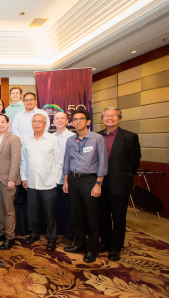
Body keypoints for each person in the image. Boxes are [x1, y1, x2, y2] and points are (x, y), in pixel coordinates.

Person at [63, 109, 107, 263]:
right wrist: (66, 180)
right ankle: (79, 243)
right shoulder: (70, 140)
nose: (77, 122)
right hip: (73, 180)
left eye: (81, 119)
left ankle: (92, 249)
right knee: (76, 215)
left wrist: (98, 183)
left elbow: (102, 162)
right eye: (75, 119)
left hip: (90, 181)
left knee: (92, 216)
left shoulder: (97, 139)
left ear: (88, 122)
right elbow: (66, 161)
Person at [97, 107, 141, 261]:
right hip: (99, 183)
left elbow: (134, 162)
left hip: (119, 183)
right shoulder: (97, 136)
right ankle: (105, 242)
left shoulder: (129, 137)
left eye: (113, 116)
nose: (109, 118)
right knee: (102, 215)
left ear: (119, 118)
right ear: (102, 119)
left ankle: (116, 247)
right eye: (106, 116)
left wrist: (125, 177)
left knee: (118, 217)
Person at [21, 114, 62, 252]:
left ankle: (51, 239)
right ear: (31, 123)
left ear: (45, 124)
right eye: (34, 121)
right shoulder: (26, 139)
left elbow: (58, 161)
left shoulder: (53, 139)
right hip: (31, 182)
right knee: (32, 211)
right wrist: (24, 177)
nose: (37, 124)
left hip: (48, 183)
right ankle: (34, 234)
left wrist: (55, 179)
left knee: (49, 213)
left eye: (40, 121)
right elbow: (24, 160)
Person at [0, 114, 21, 250]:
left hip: (7, 180)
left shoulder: (14, 139)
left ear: (7, 124)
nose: (0, 124)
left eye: (3, 122)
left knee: (9, 210)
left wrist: (11, 179)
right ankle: (1, 233)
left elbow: (15, 161)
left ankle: (10, 237)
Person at [52, 112, 76, 246]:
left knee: (68, 208)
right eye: (57, 119)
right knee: (57, 207)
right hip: (52, 179)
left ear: (67, 121)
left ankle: (68, 234)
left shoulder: (72, 137)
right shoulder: (49, 137)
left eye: (62, 118)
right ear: (53, 122)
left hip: (67, 179)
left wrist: (66, 179)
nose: (60, 121)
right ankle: (59, 231)